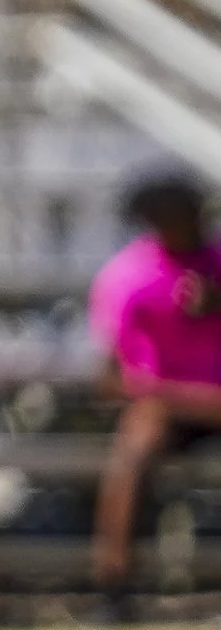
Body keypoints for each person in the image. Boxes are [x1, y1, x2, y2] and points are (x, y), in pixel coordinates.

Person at [89, 166, 221, 598]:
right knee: (132, 452)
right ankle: (113, 582)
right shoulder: (129, 277)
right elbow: (112, 378)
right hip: (168, 405)